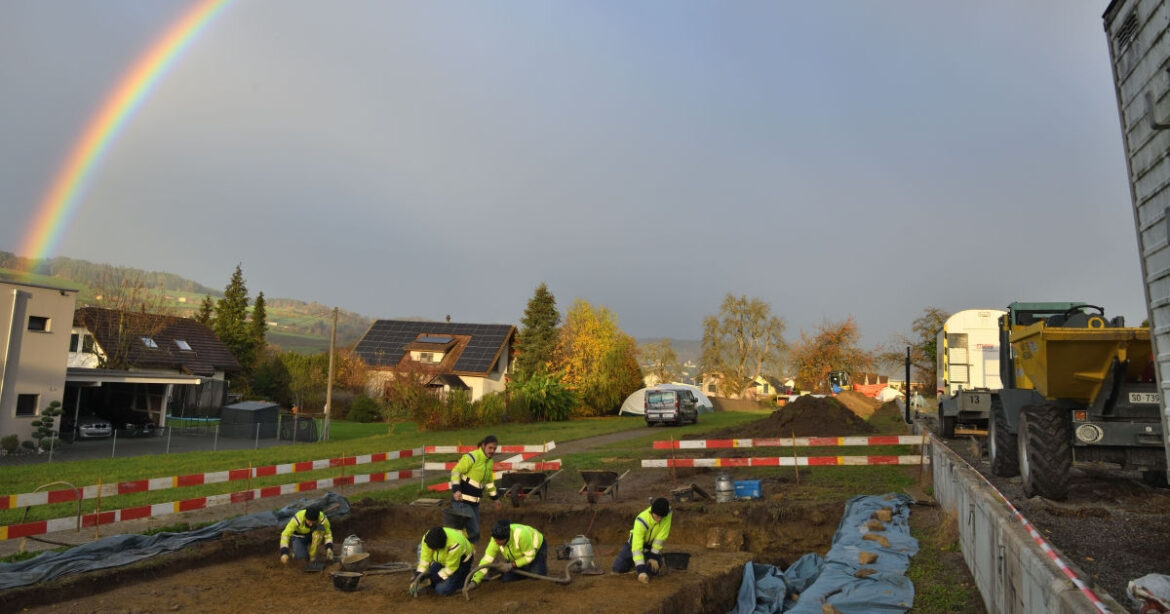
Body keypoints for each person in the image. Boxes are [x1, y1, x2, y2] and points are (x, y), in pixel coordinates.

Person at [467, 520, 547, 590]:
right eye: (495, 540)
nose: (496, 542)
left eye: (499, 541)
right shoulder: (495, 540)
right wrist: (475, 581)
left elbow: (529, 557)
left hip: (535, 550)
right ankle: (524, 569)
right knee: (507, 580)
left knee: (536, 577)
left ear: (506, 538)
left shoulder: (522, 535)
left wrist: (511, 565)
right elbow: (486, 561)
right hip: (516, 556)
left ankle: (532, 569)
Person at [450, 434, 502, 542]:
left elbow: (489, 483)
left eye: (494, 448)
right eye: (490, 447)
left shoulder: (489, 462)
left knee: (475, 535)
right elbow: (456, 471)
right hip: (461, 501)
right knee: (474, 531)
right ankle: (456, 542)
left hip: (474, 504)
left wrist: (495, 499)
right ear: (483, 446)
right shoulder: (471, 457)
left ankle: (468, 555)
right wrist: (456, 490)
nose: (492, 451)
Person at [611, 497, 672, 584]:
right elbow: (636, 547)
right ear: (652, 512)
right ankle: (636, 564)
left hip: (649, 547)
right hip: (634, 544)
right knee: (617, 569)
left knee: (654, 571)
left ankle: (641, 563)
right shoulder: (641, 521)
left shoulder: (667, 514)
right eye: (657, 516)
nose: (659, 519)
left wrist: (653, 557)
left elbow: (660, 537)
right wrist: (641, 571)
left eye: (662, 517)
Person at [412, 526, 476, 596]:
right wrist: (419, 574)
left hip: (462, 563)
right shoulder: (427, 539)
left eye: (434, 549)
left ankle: (464, 578)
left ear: (440, 547)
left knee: (440, 589)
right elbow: (425, 559)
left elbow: (450, 569)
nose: (432, 551)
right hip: (443, 560)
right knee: (430, 576)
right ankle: (447, 580)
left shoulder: (454, 545)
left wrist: (431, 580)